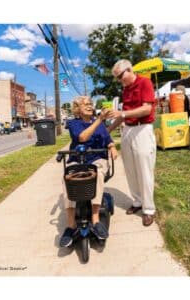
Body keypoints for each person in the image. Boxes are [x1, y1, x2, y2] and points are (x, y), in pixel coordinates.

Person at [59, 96, 118, 247]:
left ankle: (96, 219)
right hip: (78, 160)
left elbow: (107, 138)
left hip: (97, 159)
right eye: (85, 104)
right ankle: (71, 226)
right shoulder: (73, 123)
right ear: (77, 109)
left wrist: (111, 146)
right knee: (68, 178)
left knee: (96, 173)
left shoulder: (99, 124)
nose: (90, 106)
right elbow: (82, 137)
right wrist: (99, 120)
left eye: (91, 104)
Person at [108, 59, 156, 227]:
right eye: (118, 79)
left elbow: (147, 109)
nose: (120, 81)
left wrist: (123, 113)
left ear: (129, 70)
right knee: (130, 169)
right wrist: (106, 131)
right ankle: (137, 201)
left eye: (120, 76)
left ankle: (149, 209)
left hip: (142, 129)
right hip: (128, 130)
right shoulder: (126, 90)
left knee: (144, 170)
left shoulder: (145, 82)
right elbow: (122, 115)